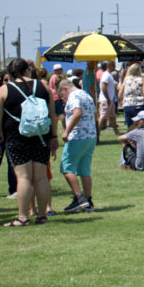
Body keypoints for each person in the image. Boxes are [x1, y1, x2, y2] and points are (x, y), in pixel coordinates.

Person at [0, 58, 59, 226]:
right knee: (41, 177)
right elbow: (52, 115)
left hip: (16, 137)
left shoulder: (4, 90)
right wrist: (54, 136)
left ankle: (23, 216)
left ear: (9, 74)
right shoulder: (42, 86)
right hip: (41, 136)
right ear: (28, 70)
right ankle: (42, 215)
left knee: (23, 177)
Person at [56, 78, 97, 213]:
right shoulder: (85, 94)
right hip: (90, 136)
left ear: (65, 89)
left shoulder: (73, 96)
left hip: (77, 136)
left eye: (63, 96)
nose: (63, 99)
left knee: (67, 168)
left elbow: (77, 112)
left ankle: (79, 198)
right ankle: (88, 199)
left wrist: (66, 131)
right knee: (84, 169)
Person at [118, 62, 144, 128]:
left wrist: (126, 99)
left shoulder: (126, 80)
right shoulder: (142, 80)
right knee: (141, 127)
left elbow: (119, 95)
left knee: (130, 127)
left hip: (127, 105)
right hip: (139, 105)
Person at [98, 60, 120, 136]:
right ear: (110, 66)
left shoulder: (109, 75)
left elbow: (114, 85)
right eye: (114, 65)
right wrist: (107, 98)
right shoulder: (106, 75)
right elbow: (103, 86)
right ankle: (97, 133)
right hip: (106, 100)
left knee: (112, 116)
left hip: (110, 99)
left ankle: (116, 131)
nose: (115, 67)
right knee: (103, 116)